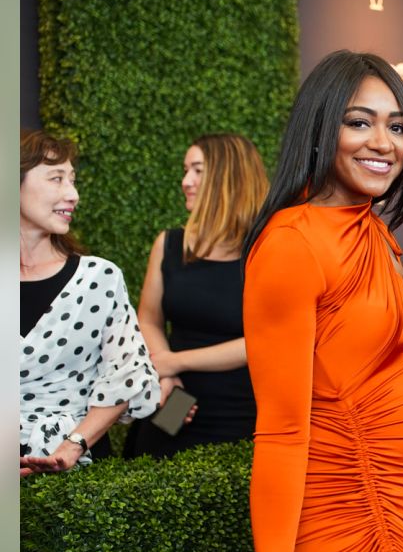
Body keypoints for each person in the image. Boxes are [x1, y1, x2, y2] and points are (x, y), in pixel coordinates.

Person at [243, 51, 403, 552]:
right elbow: (279, 429)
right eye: (361, 123)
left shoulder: (375, 234)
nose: (384, 143)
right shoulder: (292, 243)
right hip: (341, 510)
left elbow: (391, 383)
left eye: (398, 126)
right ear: (322, 127)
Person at [19, 128, 160, 475]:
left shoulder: (98, 279)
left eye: (72, 180)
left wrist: (72, 446)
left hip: (78, 470)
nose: (73, 194)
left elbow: (128, 374)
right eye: (56, 178)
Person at [129, 134, 267, 458]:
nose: (185, 181)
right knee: (156, 477)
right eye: (185, 170)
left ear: (229, 176)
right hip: (175, 401)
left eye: (197, 170)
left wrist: (171, 362)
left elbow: (267, 339)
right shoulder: (170, 244)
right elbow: (148, 319)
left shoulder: (267, 250)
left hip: (242, 411)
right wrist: (168, 376)